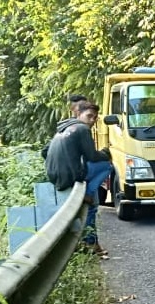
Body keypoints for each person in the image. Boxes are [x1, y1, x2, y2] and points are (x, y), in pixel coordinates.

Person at [45, 101, 113, 254]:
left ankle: (87, 242)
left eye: (95, 118)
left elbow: (45, 152)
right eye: (89, 116)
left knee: (89, 208)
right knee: (108, 166)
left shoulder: (62, 129)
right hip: (70, 176)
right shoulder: (82, 129)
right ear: (78, 114)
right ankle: (87, 193)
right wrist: (106, 154)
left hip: (55, 176)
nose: (92, 120)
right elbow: (92, 156)